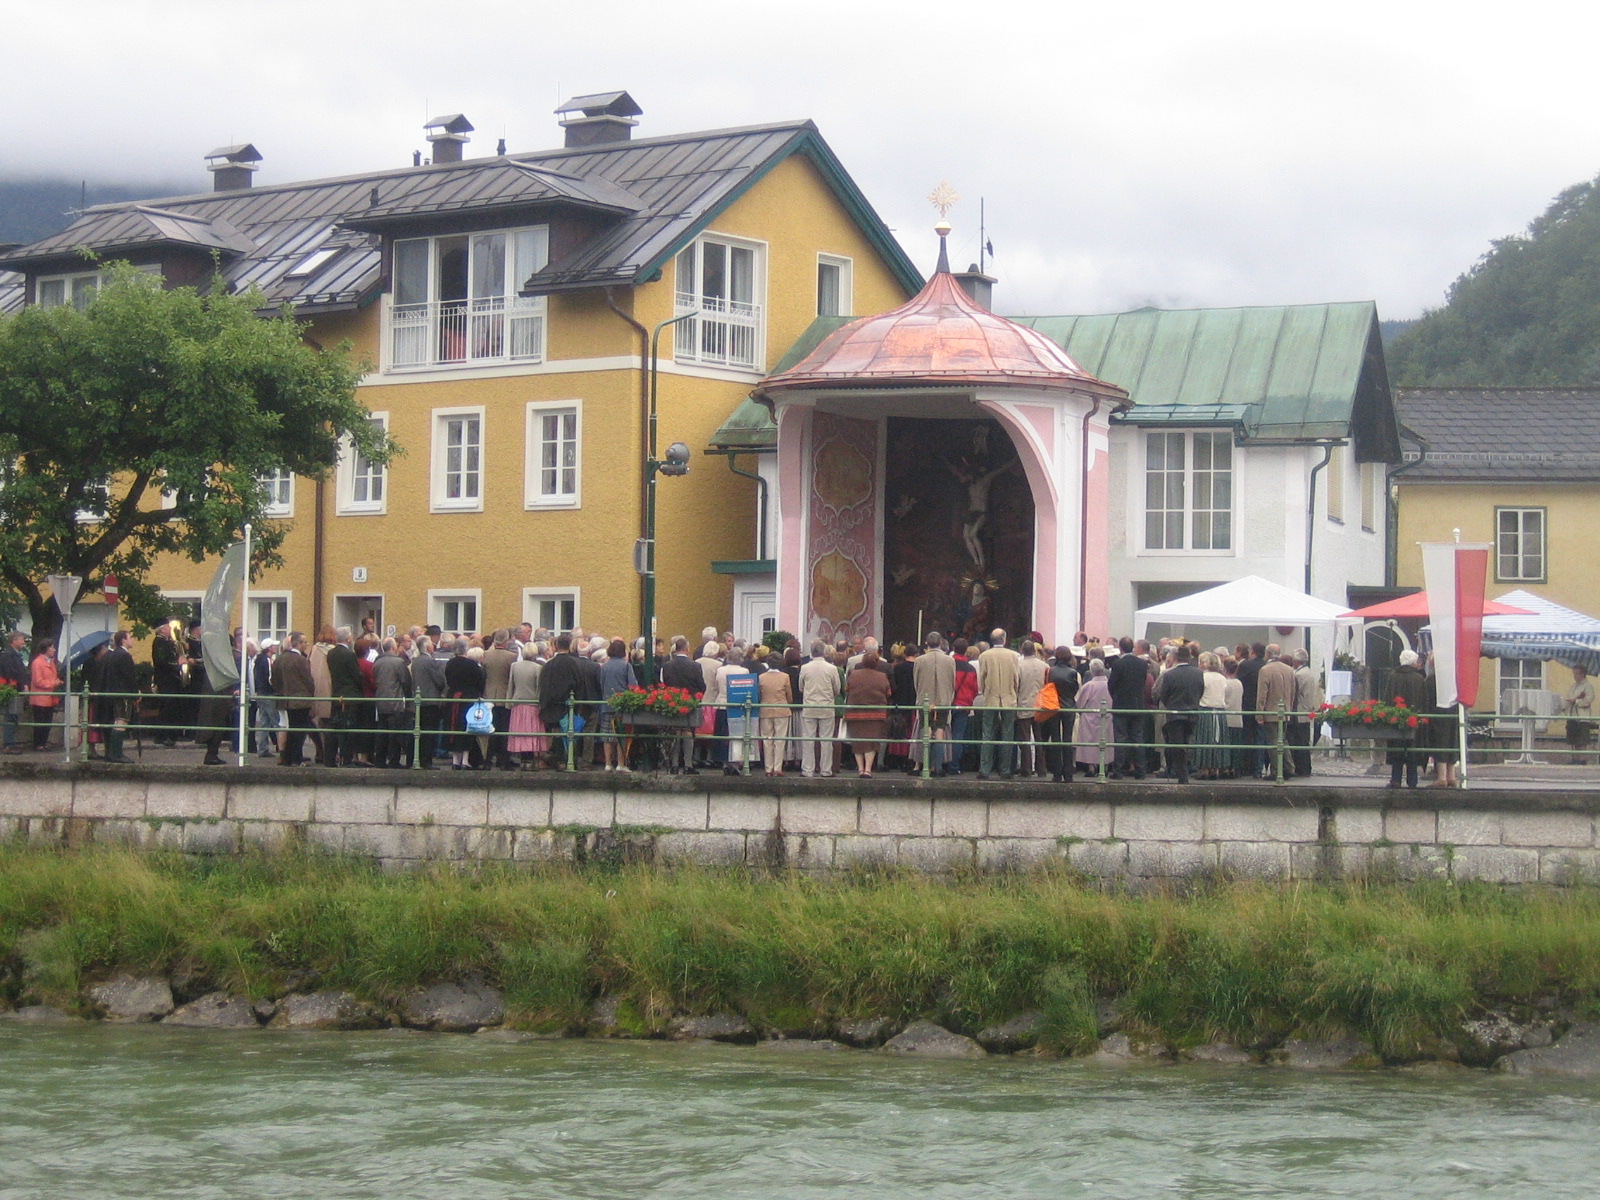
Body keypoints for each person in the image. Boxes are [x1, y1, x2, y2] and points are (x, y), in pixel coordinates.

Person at [1154, 643, 1205, 784]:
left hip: (1174, 714)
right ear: (1189, 658)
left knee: (1176, 744)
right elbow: (1200, 691)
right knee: (1189, 742)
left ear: (1175, 658)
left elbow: (1163, 695)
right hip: (1192, 712)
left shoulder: (1169, 674)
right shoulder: (1199, 673)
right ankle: (1186, 770)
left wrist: (1171, 704)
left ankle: (1181, 775)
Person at [975, 628, 1021, 780]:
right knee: (1008, 734)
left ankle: (984, 769)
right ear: (1004, 639)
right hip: (1009, 698)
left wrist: (985, 692)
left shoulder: (984, 656)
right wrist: (1014, 692)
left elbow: (982, 678)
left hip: (991, 698)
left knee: (987, 734)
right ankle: (1005, 770)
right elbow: (1016, 678)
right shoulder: (1013, 655)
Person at [659, 636, 704, 775]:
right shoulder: (695, 666)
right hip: (690, 702)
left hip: (672, 702)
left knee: (676, 732)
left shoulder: (667, 666)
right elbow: (701, 686)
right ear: (687, 648)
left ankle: (674, 765)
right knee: (688, 731)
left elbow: (663, 684)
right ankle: (688, 764)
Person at [1385, 649, 1429, 788]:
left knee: (1396, 748)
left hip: (1396, 720)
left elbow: (1387, 698)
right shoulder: (1419, 679)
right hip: (1414, 720)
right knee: (1412, 750)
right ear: (1414, 663)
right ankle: (1412, 781)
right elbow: (1424, 701)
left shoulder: (1393, 677)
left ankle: (1395, 780)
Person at [271, 631, 316, 766]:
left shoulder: (279, 659)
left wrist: (281, 691)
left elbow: (274, 680)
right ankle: (296, 758)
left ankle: (287, 757)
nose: (306, 644)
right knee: (299, 730)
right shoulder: (301, 660)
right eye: (304, 642)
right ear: (298, 644)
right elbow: (308, 681)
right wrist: (311, 695)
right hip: (301, 700)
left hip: (285, 699)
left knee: (291, 728)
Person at [913, 633, 956, 775]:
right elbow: (952, 681)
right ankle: (937, 767)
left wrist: (920, 695)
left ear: (926, 643)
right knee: (939, 733)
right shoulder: (950, 661)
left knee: (925, 733)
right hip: (943, 700)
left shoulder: (919, 660)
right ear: (940, 643)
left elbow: (916, 681)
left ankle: (925, 766)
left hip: (925, 700)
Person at [844, 650, 892, 778]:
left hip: (855, 712)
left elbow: (847, 689)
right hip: (876, 713)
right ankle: (868, 769)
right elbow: (888, 693)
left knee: (857, 740)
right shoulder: (882, 676)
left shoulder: (853, 674)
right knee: (872, 741)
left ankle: (860, 768)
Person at [798, 639, 841, 777]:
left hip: (809, 706)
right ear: (824, 652)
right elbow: (837, 689)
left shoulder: (805, 668)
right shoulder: (832, 668)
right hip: (826, 707)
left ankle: (807, 770)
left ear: (811, 652)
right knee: (826, 740)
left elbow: (801, 687)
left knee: (808, 739)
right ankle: (826, 770)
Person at [1107, 637, 1150, 780]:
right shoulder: (1142, 664)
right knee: (1137, 738)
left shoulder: (1118, 664)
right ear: (1132, 648)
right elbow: (1143, 683)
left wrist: (1116, 697)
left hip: (1121, 705)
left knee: (1120, 738)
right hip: (1137, 705)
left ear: (1120, 648)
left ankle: (1118, 771)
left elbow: (1111, 685)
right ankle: (1141, 770)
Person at [444, 636, 487, 770]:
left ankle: (455, 760)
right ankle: (465, 760)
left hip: (453, 698)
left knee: (454, 727)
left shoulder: (450, 663)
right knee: (467, 727)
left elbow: (448, 680)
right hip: (468, 698)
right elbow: (480, 682)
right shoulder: (472, 665)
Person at [1040, 646, 1081, 783]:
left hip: (1053, 706)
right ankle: (1068, 773)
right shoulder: (1073, 672)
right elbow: (1074, 689)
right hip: (1068, 707)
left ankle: (1057, 773)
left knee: (1055, 739)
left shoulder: (1050, 671)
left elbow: (1046, 687)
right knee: (1067, 739)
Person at [1256, 648, 1297, 780]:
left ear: (1267, 654)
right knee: (1283, 740)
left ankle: (1276, 771)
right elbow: (1293, 692)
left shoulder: (1265, 670)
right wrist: (1289, 709)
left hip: (1271, 712)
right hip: (1285, 711)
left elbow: (1262, 694)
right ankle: (1289, 767)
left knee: (1273, 742)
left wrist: (1259, 714)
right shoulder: (1289, 670)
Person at [506, 641, 549, 770]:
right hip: (532, 704)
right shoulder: (537, 668)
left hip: (517, 704)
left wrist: (508, 703)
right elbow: (539, 689)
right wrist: (540, 704)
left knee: (520, 732)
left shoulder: (515, 666)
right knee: (531, 732)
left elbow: (511, 685)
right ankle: (530, 760)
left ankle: (524, 760)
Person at [372, 638, 413, 768]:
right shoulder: (399, 662)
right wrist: (409, 700)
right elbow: (406, 682)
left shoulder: (377, 662)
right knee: (395, 733)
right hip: (395, 702)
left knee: (382, 733)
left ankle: (380, 760)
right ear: (393, 648)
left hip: (380, 701)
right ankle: (394, 760)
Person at [482, 630, 518, 769]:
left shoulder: (486, 655)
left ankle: (487, 760)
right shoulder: (512, 657)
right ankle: (503, 761)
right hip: (504, 696)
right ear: (506, 641)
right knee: (504, 730)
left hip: (489, 695)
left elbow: (483, 675)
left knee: (490, 729)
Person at [411, 636, 448, 767]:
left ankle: (419, 759)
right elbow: (439, 680)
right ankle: (426, 761)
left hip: (420, 699)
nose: (433, 646)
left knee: (420, 731)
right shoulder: (429, 661)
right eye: (431, 644)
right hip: (430, 700)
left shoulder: (416, 661)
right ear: (427, 647)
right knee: (429, 732)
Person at [599, 639, 635, 772]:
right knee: (621, 735)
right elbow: (633, 685)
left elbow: (601, 684)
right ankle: (621, 764)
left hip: (607, 704)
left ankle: (608, 764)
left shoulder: (604, 666)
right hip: (622, 706)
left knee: (607, 737)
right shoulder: (626, 666)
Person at [1014, 640, 1048, 777]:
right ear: (1034, 650)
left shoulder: (1018, 666)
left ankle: (1026, 769)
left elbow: (1016, 686)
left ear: (1022, 651)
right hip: (1040, 705)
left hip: (1024, 704)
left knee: (1025, 738)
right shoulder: (1044, 666)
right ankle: (1041, 769)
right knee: (1039, 738)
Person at [1193, 651, 1229, 781]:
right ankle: (1216, 768)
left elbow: (1198, 693)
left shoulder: (1203, 677)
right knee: (1217, 741)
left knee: (1205, 740)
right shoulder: (1223, 678)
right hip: (1220, 712)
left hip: (1205, 711)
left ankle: (1205, 769)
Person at [151, 620, 186, 747]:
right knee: (166, 707)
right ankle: (162, 735)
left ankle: (172, 734)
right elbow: (161, 661)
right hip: (165, 680)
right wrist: (178, 663)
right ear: (161, 629)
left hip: (172, 680)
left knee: (172, 708)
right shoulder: (159, 642)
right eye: (167, 626)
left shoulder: (167, 642)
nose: (169, 628)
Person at [1074, 660, 1113, 776]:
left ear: (1091, 671)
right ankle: (1105, 766)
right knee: (1107, 741)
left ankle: (1091, 768)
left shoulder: (1088, 686)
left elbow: (1080, 703)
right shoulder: (1110, 685)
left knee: (1090, 742)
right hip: (1107, 716)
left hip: (1089, 718)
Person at [757, 654, 794, 776]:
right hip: (781, 710)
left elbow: (759, 694)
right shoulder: (785, 677)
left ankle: (768, 768)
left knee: (767, 739)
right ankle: (778, 767)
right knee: (780, 739)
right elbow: (789, 695)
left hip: (765, 710)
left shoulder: (761, 677)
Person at [1289, 649, 1322, 778]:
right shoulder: (1308, 672)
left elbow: (1295, 693)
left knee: (1298, 741)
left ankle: (1301, 768)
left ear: (1296, 660)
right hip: (1306, 711)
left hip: (1299, 712)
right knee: (1303, 741)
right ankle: (1305, 768)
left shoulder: (1299, 675)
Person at [26, 639, 61, 751]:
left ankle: (43, 743)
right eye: (52, 647)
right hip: (40, 697)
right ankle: (38, 744)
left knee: (47, 721)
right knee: (40, 721)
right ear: (46, 648)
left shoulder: (51, 662)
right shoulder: (37, 662)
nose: (54, 650)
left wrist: (57, 682)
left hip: (49, 697)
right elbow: (38, 681)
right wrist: (53, 683)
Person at [0, 631, 28, 753]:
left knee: (14, 716)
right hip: (11, 689)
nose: (23, 642)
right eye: (21, 639)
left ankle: (11, 743)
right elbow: (10, 672)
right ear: (14, 640)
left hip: (14, 688)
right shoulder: (8, 655)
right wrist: (22, 685)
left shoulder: (14, 654)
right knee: (10, 716)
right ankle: (8, 744)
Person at [253, 639, 280, 758]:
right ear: (269, 648)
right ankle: (283, 748)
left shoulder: (258, 660)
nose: (276, 647)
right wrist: (276, 688)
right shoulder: (267, 660)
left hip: (260, 693)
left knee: (264, 722)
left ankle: (262, 748)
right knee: (275, 722)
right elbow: (270, 678)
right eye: (274, 646)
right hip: (268, 693)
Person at [1565, 665, 1596, 766]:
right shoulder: (1573, 686)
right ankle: (1575, 758)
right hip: (1573, 715)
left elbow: (1588, 700)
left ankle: (1582, 759)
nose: (1575, 676)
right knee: (1574, 739)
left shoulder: (1587, 686)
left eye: (1577, 673)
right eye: (1574, 673)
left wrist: (1576, 701)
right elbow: (1569, 697)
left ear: (1583, 674)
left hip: (1582, 717)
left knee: (1582, 740)